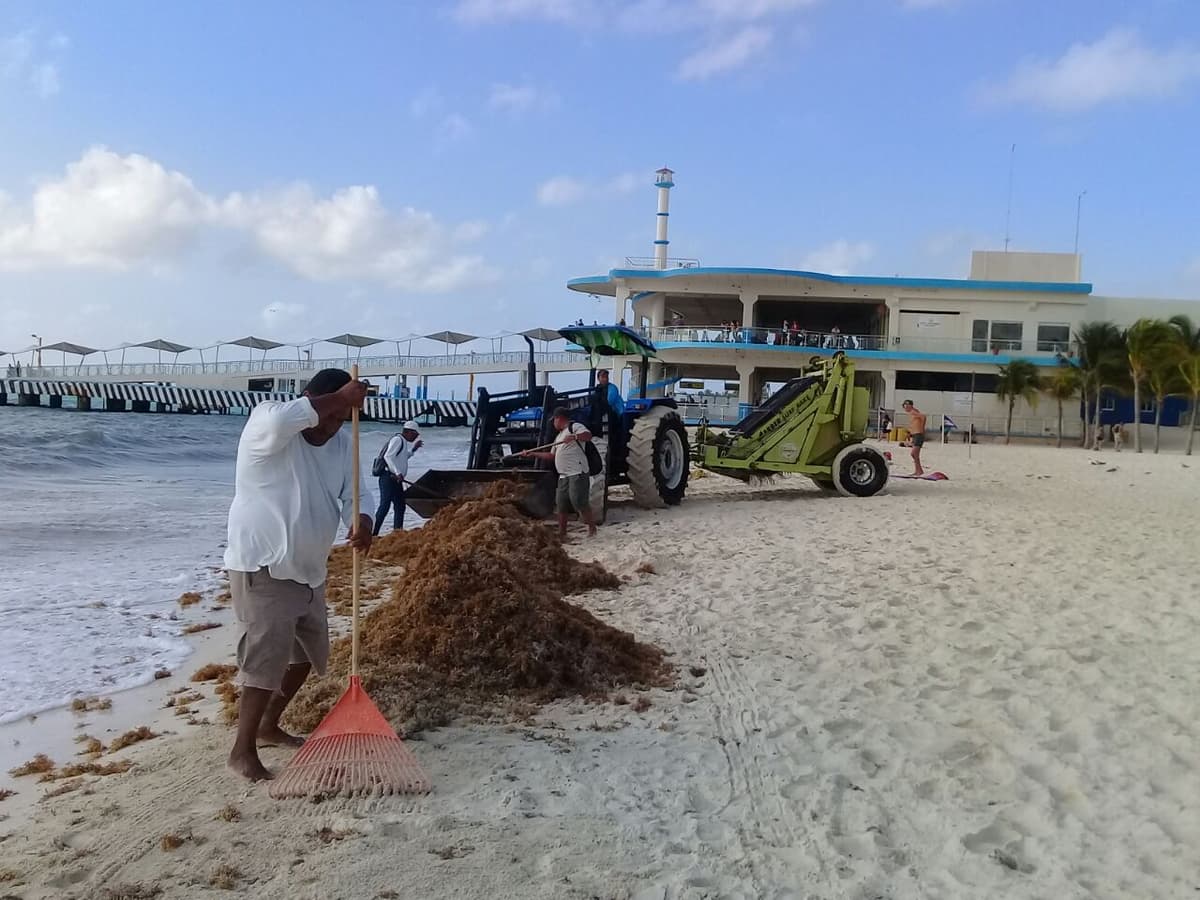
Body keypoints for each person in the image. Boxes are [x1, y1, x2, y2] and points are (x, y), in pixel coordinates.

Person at [222, 369, 374, 781]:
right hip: (263, 563)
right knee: (265, 660)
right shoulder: (268, 422)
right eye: (328, 416)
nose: (331, 427)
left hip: (309, 569)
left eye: (341, 419)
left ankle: (269, 726)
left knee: (306, 655)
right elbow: (279, 420)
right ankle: (242, 750)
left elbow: (356, 491)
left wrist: (362, 519)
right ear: (309, 400)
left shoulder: (344, 442)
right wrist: (341, 397)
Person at [519, 406, 597, 539]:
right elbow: (551, 456)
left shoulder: (575, 427)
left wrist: (575, 437)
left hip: (577, 472)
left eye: (554, 420)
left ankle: (592, 527)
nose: (553, 423)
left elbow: (588, 436)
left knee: (578, 501)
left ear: (559, 418)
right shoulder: (559, 436)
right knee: (561, 503)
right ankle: (562, 532)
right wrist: (532, 454)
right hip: (563, 475)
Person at [373, 420, 422, 536]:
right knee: (384, 506)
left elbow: (402, 458)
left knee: (400, 505)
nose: (416, 437)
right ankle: (373, 533)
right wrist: (398, 472)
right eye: (415, 434)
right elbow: (388, 457)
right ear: (408, 432)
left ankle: (397, 532)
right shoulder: (397, 440)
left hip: (395, 479)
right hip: (388, 478)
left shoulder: (403, 441)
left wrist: (414, 450)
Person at [901, 399, 927, 476]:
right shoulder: (912, 412)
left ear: (910, 405)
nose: (905, 408)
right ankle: (918, 471)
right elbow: (915, 424)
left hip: (919, 435)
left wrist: (922, 428)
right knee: (914, 454)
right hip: (916, 435)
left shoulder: (913, 411)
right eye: (904, 406)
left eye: (906, 406)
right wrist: (910, 433)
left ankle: (919, 471)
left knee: (913, 453)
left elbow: (924, 417)